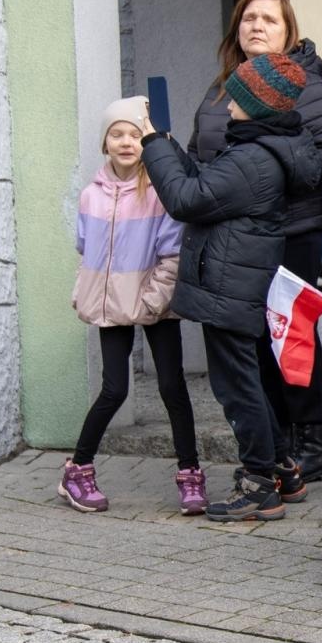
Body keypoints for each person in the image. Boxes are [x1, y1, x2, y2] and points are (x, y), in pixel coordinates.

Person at [142, 54, 320, 522]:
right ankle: (282, 469)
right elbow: (205, 186)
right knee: (247, 380)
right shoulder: (260, 149)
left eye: (235, 96)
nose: (226, 104)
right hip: (235, 279)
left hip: (230, 282)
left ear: (257, 104)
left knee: (238, 387)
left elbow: (186, 199)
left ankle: (259, 485)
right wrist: (167, 144)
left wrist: (151, 145)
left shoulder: (253, 158)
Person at [190, 0, 322, 487]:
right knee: (251, 335)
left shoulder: (306, 84)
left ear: (288, 32)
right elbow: (200, 150)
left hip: (291, 229)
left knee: (289, 333)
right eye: (249, 18)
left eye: (269, 20)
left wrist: (269, 168)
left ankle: (312, 443)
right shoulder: (222, 88)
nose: (257, 26)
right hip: (235, 232)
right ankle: (276, 443)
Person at [62, 96, 199, 515]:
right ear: (104, 142)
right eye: (116, 134)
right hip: (110, 306)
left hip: (155, 303)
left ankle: (190, 473)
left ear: (147, 142)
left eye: (135, 134)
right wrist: (88, 292)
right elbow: (86, 249)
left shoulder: (160, 192)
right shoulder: (91, 196)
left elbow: (172, 255)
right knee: (114, 389)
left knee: (171, 386)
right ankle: (77, 470)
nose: (125, 142)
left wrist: (150, 301)